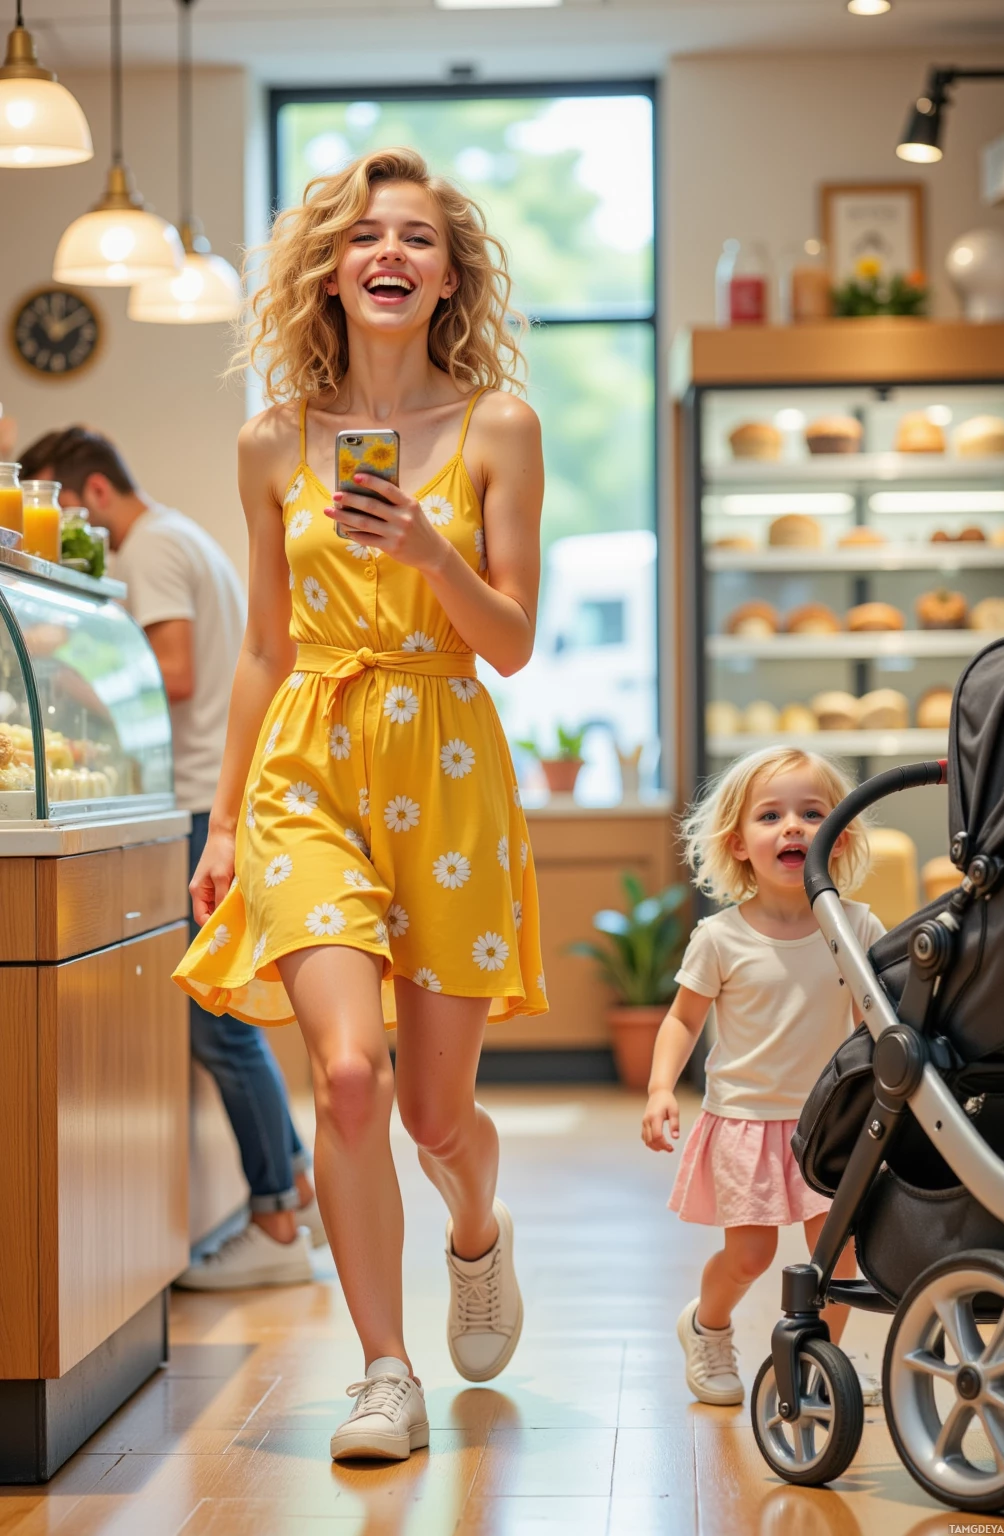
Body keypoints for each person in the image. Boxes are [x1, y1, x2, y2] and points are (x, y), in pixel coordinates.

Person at [171, 146, 547, 1463]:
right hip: (309, 767)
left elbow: (509, 641)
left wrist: (425, 545)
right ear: (331, 268)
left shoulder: (499, 423)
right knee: (344, 1076)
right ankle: (385, 1370)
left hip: (445, 761)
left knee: (436, 1116)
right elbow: (266, 651)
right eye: (366, 235)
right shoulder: (273, 438)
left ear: (451, 275)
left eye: (421, 238)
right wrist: (223, 824)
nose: (391, 254)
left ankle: (476, 1226)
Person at [18, 426, 326, 1288]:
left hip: (198, 803)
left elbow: (175, 672)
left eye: (63, 503)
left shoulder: (150, 549)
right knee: (221, 1016)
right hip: (207, 797)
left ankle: (274, 1220)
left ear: (96, 492)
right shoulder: (181, 536)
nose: (67, 524)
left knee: (215, 1022)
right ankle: (294, 1193)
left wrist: (58, 665)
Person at [641, 746, 885, 1408]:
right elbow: (682, 1022)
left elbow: (883, 1017)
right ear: (737, 843)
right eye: (771, 815)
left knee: (839, 1258)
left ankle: (817, 1355)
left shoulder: (857, 927)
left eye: (813, 813)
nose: (794, 828)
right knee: (748, 1257)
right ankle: (707, 1324)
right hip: (747, 1121)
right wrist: (663, 1087)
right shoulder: (720, 937)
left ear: (841, 836)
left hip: (830, 1121)